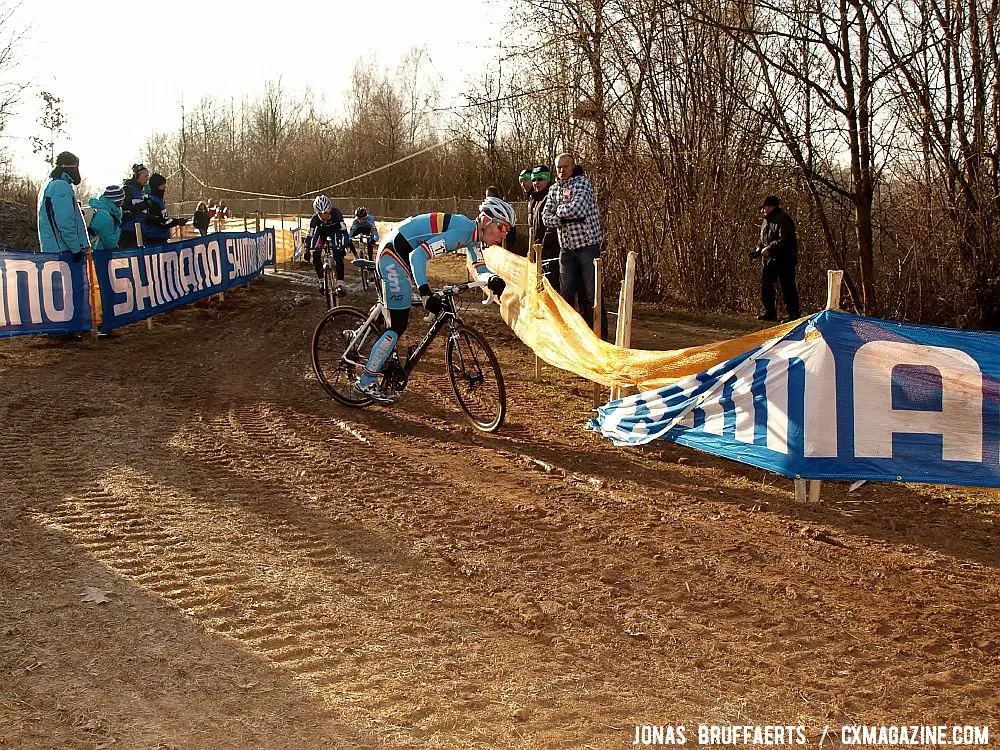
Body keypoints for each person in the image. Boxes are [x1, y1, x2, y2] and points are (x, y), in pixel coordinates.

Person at [354, 198, 512, 402]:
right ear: (485, 220)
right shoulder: (463, 231)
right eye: (501, 227)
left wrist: (492, 278)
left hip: (402, 252)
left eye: (506, 230)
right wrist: (425, 292)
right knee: (398, 324)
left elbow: (479, 268)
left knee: (396, 312)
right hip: (393, 255)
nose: (502, 234)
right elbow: (417, 257)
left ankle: (364, 335)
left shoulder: (472, 237)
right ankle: (366, 381)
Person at [542, 152, 608, 339]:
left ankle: (599, 336)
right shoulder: (554, 189)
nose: (562, 170)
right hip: (567, 250)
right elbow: (546, 217)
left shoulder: (582, 184)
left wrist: (559, 212)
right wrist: (564, 217)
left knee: (591, 295)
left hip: (587, 247)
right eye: (559, 167)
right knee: (567, 295)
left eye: (566, 167)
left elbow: (577, 208)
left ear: (573, 166)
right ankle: (572, 337)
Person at [750, 195, 801, 322]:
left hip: (785, 260)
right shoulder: (766, 221)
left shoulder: (784, 220)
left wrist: (770, 248)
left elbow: (785, 240)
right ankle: (770, 312)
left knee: (787, 287)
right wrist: (758, 251)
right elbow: (762, 240)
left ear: (772, 206)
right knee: (766, 286)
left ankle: (794, 315)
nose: (763, 211)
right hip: (769, 261)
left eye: (764, 208)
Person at [306, 195, 349, 295]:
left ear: (330, 210)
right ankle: (321, 281)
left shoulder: (337, 214)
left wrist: (344, 245)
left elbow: (344, 231)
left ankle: (340, 284)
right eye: (320, 214)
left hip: (335, 232)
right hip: (322, 233)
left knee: (337, 253)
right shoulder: (315, 219)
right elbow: (310, 234)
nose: (323, 216)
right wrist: (307, 249)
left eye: (325, 213)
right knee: (316, 253)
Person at [527, 165, 559, 290]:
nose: (536, 183)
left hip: (550, 251)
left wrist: (543, 246)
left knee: (551, 286)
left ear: (547, 179)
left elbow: (552, 226)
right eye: (534, 180)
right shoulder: (534, 199)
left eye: (540, 179)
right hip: (538, 251)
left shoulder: (551, 197)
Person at [142, 173, 188, 244]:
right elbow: (159, 221)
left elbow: (164, 218)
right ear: (156, 186)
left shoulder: (159, 200)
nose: (165, 187)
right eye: (162, 184)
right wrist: (177, 222)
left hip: (162, 236)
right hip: (153, 238)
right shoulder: (151, 201)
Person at [119, 163, 150, 248]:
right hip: (129, 232)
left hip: (142, 230)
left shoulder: (143, 191)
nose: (147, 179)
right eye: (145, 176)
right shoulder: (128, 190)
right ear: (137, 176)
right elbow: (125, 210)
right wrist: (143, 205)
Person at [87, 185, 125, 250]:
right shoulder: (105, 216)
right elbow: (111, 244)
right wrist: (120, 225)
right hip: (97, 253)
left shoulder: (102, 209)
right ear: (117, 201)